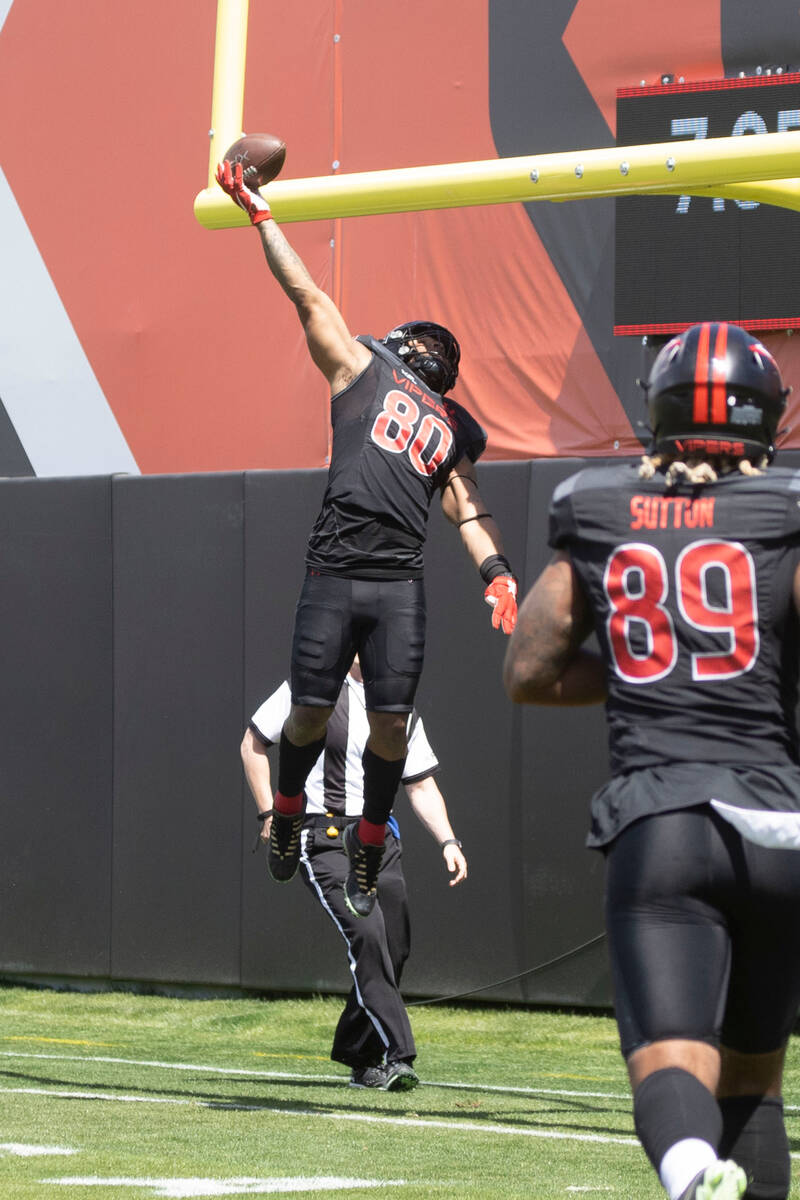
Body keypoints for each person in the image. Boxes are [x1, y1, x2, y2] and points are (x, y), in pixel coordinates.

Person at [503, 322, 800, 1200]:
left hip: (662, 821)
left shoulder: (598, 504)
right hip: (778, 826)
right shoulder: (784, 508)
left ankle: (689, 1171)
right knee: (755, 1081)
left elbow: (528, 670)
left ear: (656, 413)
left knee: (674, 1062)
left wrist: (645, 667)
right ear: (769, 418)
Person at [217, 158, 516, 919]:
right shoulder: (366, 371)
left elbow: (465, 503)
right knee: (311, 713)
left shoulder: (439, 423)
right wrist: (261, 217)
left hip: (394, 582)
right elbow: (306, 295)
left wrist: (498, 571)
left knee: (387, 724)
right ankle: (289, 814)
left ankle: (370, 838)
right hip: (337, 570)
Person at [241, 657, 467, 1091]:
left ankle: (358, 1056)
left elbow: (420, 783)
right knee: (367, 933)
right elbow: (252, 742)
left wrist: (449, 841)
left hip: (377, 839)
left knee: (394, 946)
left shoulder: (398, 706)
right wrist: (269, 811)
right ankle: (399, 1054)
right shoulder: (312, 688)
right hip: (321, 835)